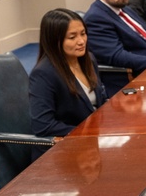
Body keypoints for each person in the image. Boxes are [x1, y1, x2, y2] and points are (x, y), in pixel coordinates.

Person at [29, 8, 107, 153]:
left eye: (83, 34)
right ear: (55, 41)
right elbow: (43, 126)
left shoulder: (88, 59)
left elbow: (100, 100)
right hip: (64, 149)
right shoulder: (43, 74)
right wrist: (89, 131)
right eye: (72, 37)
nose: (81, 41)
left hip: (93, 141)